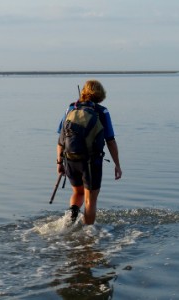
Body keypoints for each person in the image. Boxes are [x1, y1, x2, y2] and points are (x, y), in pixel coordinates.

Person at [56, 80, 122, 225]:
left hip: (70, 160)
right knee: (90, 201)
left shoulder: (70, 109)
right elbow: (110, 140)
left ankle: (71, 218)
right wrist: (117, 165)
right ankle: (88, 236)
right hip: (91, 163)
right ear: (100, 94)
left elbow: (60, 140)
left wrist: (59, 163)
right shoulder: (102, 112)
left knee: (77, 192)